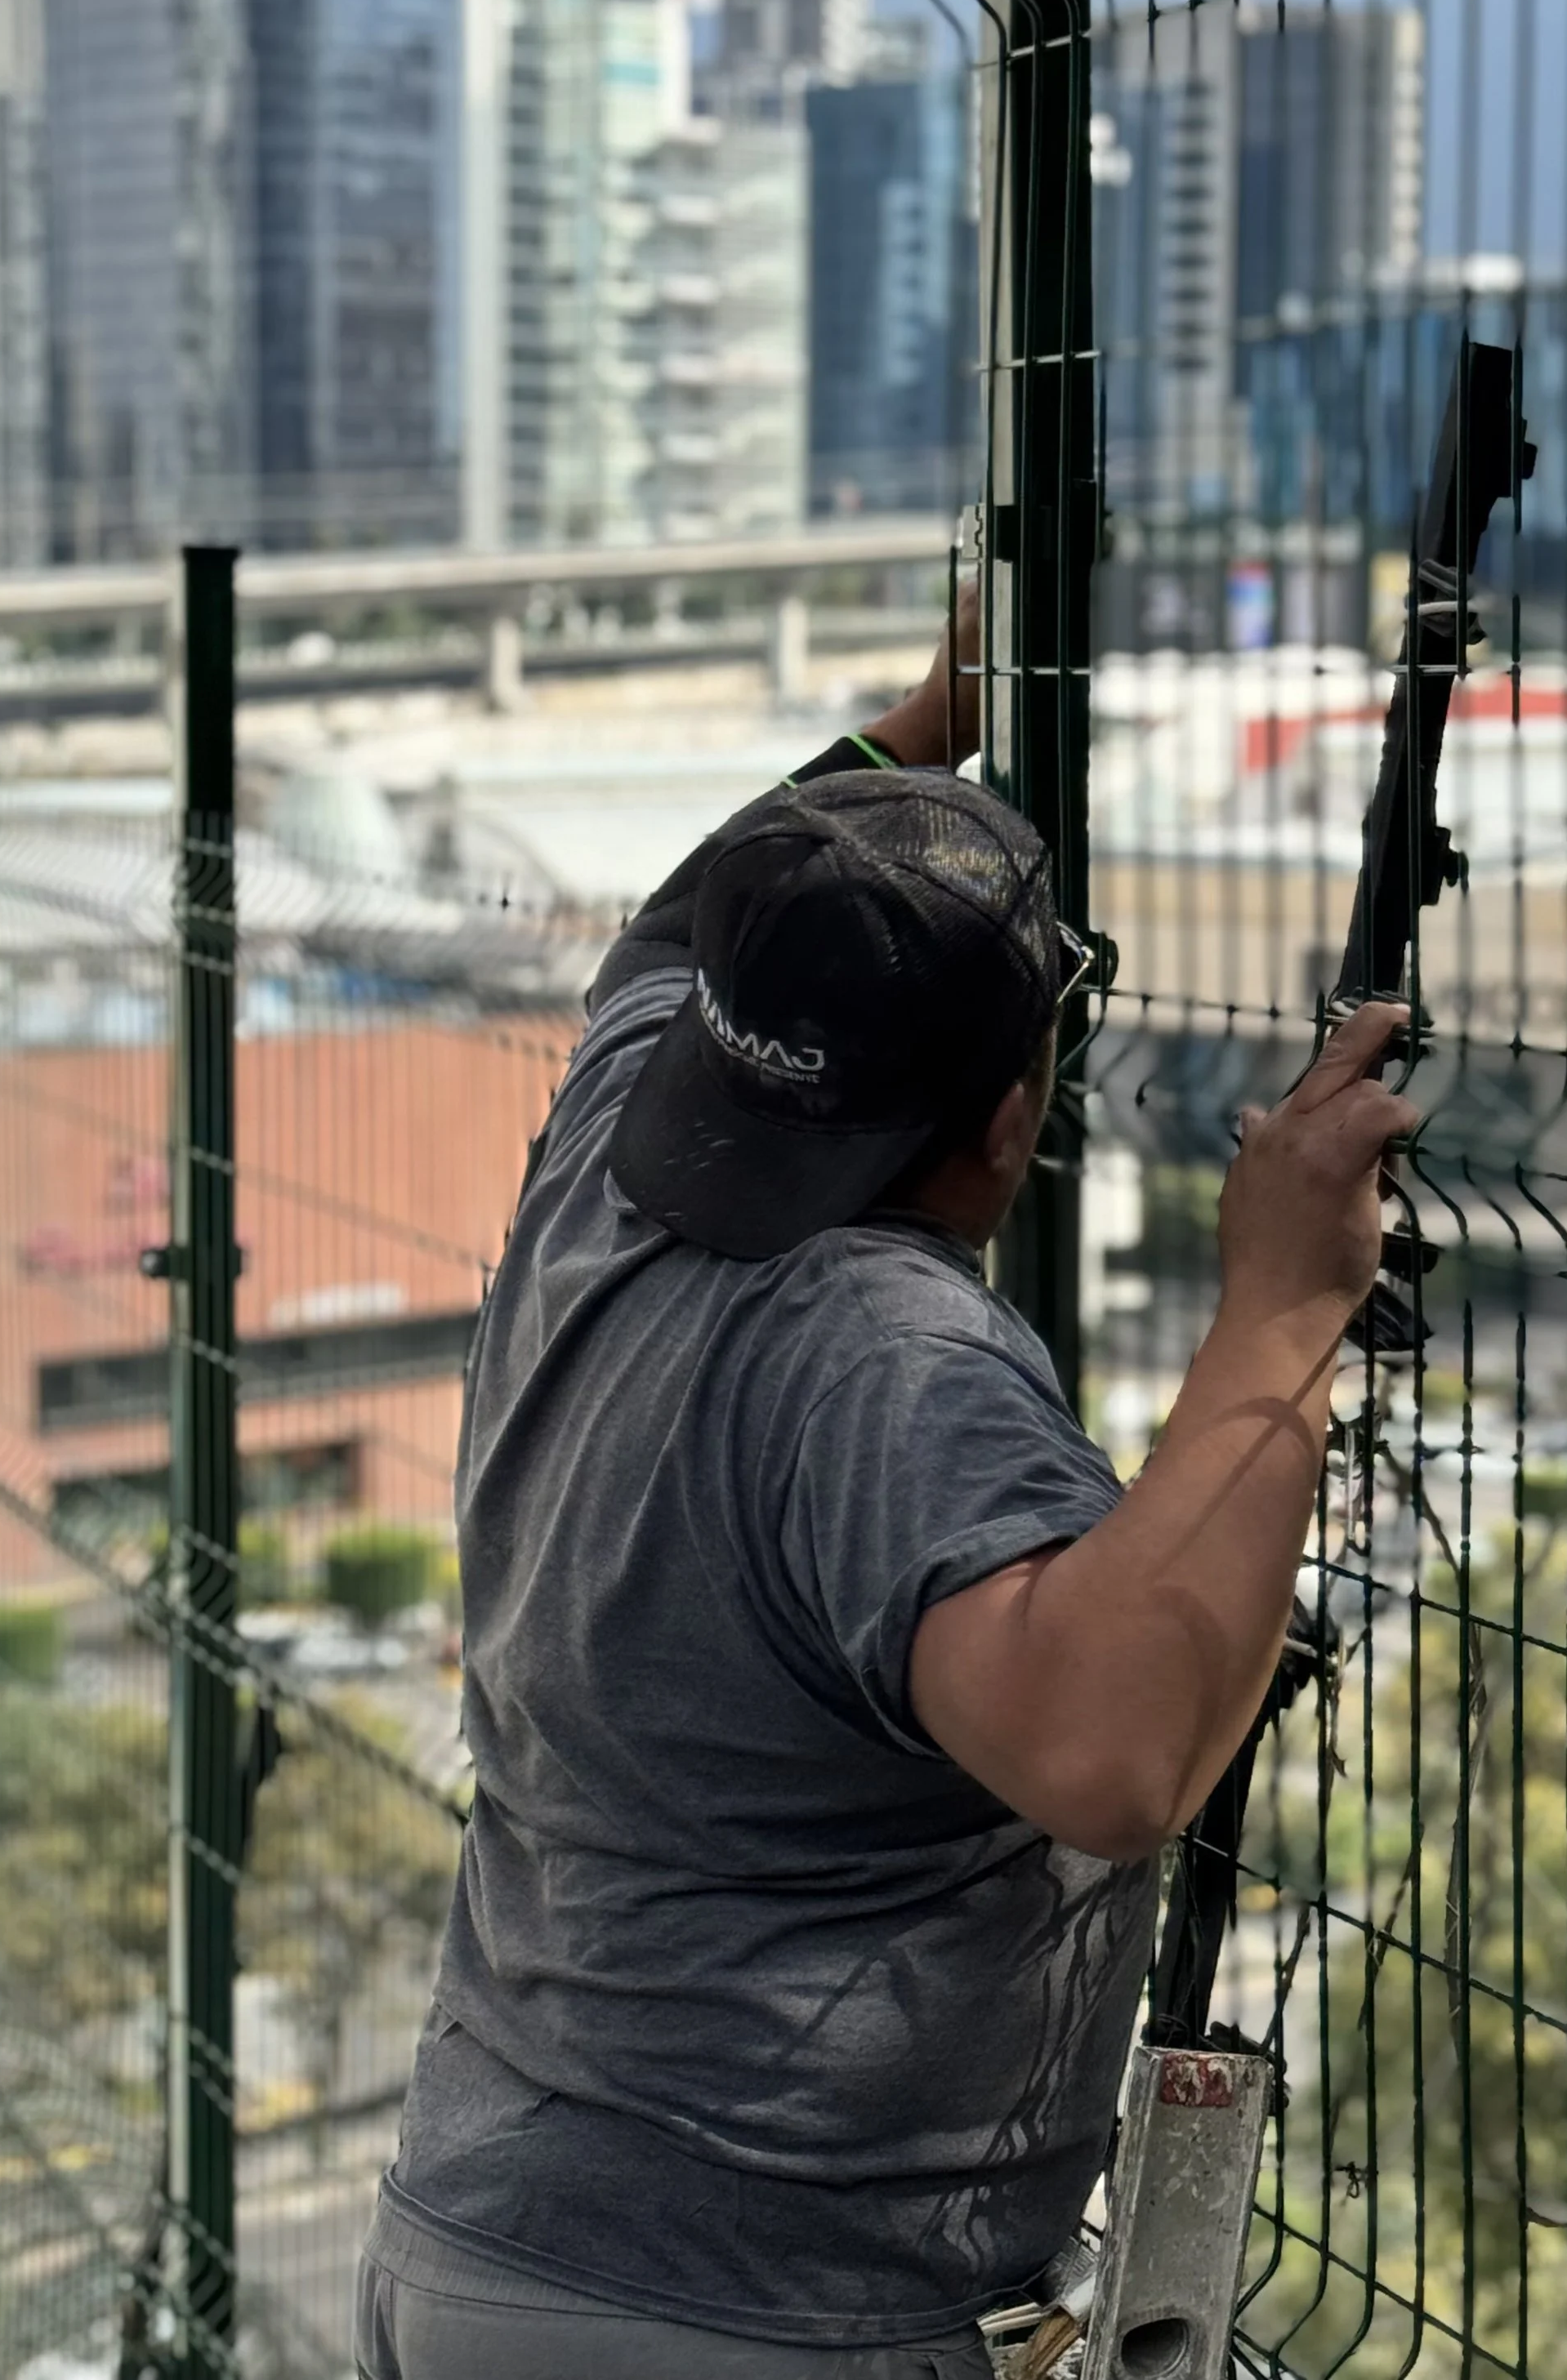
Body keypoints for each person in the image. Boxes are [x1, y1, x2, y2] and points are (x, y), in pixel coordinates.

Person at [355, 595, 1415, 2380]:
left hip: (473, 2242)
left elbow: (690, 911)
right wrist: (1283, 1306)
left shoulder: (615, 1150)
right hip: (744, 2313)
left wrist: (910, 737)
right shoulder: (883, 1359)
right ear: (1014, 1115)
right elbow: (1107, 1748)